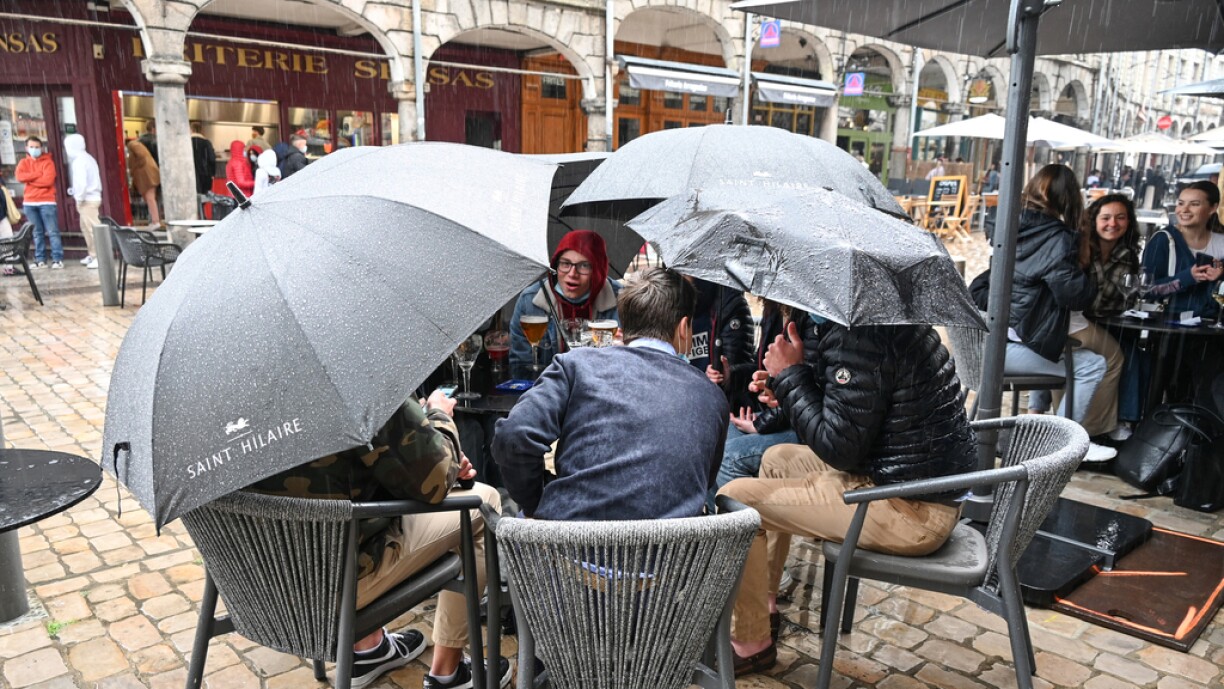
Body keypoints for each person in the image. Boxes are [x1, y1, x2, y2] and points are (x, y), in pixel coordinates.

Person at [718, 313, 976, 675]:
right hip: (903, 481)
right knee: (777, 458)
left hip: (911, 509)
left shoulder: (862, 337)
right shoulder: (882, 322)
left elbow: (839, 447)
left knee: (735, 498)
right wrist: (788, 385)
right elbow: (858, 410)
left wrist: (792, 375)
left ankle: (751, 643)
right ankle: (763, 603)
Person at [249, 392, 509, 689]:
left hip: (259, 585)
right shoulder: (358, 381)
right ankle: (448, 672)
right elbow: (434, 480)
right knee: (482, 501)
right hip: (334, 589)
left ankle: (368, 648)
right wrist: (439, 417)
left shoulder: (217, 400)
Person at [493, 267, 728, 521]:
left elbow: (514, 436)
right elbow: (702, 482)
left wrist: (535, 502)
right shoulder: (712, 396)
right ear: (684, 327)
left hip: (567, 551)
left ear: (622, 325)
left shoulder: (575, 366)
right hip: (668, 558)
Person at [1001, 164, 1115, 461]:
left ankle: (1050, 435)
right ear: (1068, 198)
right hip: (1011, 348)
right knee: (1093, 365)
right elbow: (1073, 295)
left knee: (1060, 347)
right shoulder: (1056, 236)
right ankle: (1061, 449)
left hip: (990, 343)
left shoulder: (1007, 225)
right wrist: (1087, 274)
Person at [508, 230, 621, 369]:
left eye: (584, 265)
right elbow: (520, 364)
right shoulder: (530, 300)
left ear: (598, 270)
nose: (572, 274)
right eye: (565, 264)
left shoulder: (623, 300)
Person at [1144, 181, 1224, 316]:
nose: (1184, 210)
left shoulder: (1221, 241)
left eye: (1194, 204)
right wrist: (1188, 277)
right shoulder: (1163, 240)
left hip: (1212, 328)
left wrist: (1221, 275)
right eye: (1181, 203)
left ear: (1212, 208)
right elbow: (1146, 290)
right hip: (1169, 326)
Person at [687, 278, 754, 405]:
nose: (681, 275)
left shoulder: (728, 305)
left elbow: (741, 369)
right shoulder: (670, 301)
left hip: (717, 405)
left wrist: (726, 375)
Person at [16, 136, 63, 269]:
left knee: (52, 231)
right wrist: (38, 174)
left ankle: (57, 259)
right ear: (26, 148)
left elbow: (48, 181)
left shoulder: (48, 162)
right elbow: (20, 177)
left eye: (37, 147)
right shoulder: (23, 163)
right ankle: (40, 259)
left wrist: (30, 180)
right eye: (31, 147)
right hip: (30, 202)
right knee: (36, 232)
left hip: (47, 201)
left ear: (41, 148)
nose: (34, 149)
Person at [63, 134, 102, 269]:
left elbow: (81, 183)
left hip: (87, 200)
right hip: (91, 197)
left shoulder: (79, 161)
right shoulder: (88, 158)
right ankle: (92, 254)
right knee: (86, 228)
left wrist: (78, 198)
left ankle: (99, 257)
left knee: (92, 230)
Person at [126, 140, 162, 227]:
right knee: (150, 199)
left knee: (150, 199)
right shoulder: (141, 150)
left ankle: (155, 221)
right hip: (149, 176)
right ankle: (154, 220)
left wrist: (136, 167)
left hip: (147, 177)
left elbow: (140, 156)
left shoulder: (133, 146)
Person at [190, 121, 217, 195]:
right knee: (203, 197)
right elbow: (212, 159)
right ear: (201, 131)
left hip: (189, 174)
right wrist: (212, 174)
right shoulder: (207, 142)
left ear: (191, 130)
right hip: (204, 175)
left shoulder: (187, 142)